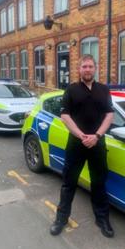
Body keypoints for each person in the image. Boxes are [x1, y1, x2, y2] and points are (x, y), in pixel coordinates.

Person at [50, 54, 115, 238]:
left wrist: (96, 136)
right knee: (68, 183)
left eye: (90, 66)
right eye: (84, 66)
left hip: (97, 143)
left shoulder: (103, 90)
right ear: (79, 69)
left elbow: (109, 115)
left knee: (99, 183)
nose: (87, 69)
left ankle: (102, 219)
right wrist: (82, 136)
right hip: (76, 144)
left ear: (95, 69)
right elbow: (65, 116)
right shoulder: (71, 90)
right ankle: (61, 219)